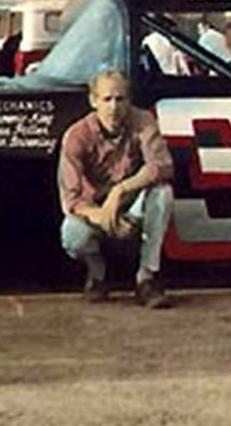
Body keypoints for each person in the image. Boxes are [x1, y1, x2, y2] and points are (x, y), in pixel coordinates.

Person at [58, 70, 175, 308]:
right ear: (94, 101)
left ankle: (147, 277)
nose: (114, 107)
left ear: (129, 100)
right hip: (95, 211)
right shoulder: (76, 136)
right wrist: (103, 217)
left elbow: (162, 166)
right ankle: (97, 275)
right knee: (72, 233)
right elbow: (71, 199)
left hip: (130, 205)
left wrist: (120, 191)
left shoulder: (143, 121)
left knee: (163, 194)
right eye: (107, 100)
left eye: (120, 99)